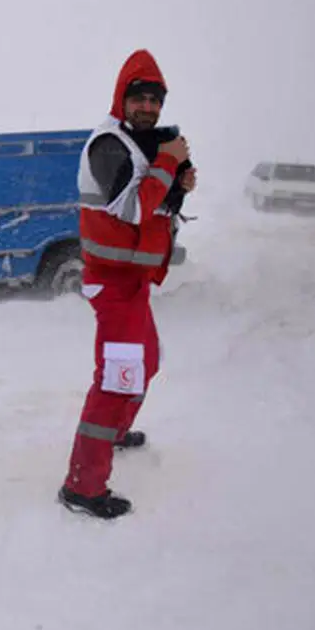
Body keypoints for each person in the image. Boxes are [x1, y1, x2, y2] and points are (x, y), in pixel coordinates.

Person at [59, 49, 197, 519]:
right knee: (117, 381)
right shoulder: (109, 144)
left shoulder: (140, 145)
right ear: (122, 98)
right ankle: (82, 486)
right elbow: (134, 207)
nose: (148, 107)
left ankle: (114, 432)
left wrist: (178, 185)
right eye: (140, 98)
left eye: (155, 101)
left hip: (132, 281)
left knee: (146, 361)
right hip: (113, 284)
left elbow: (153, 203)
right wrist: (168, 164)